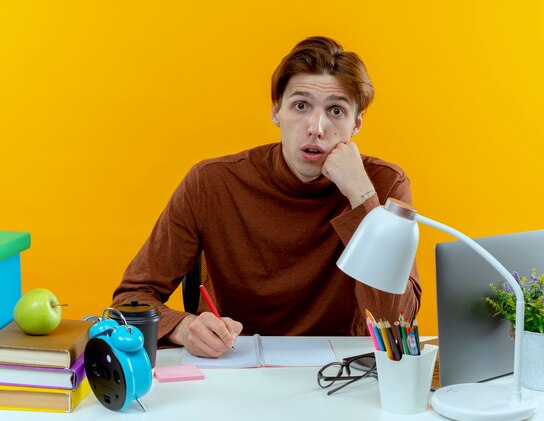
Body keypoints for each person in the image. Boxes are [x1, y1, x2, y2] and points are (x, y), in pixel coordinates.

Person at [112, 36, 421, 358]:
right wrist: (183, 326)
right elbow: (132, 299)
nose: (316, 127)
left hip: (341, 368)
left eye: (336, 110)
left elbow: (397, 322)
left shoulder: (384, 185)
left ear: (356, 123)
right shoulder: (212, 182)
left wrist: (362, 197)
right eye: (300, 106)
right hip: (232, 362)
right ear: (276, 111)